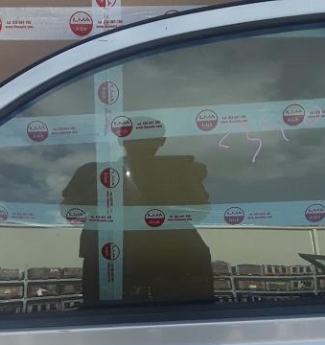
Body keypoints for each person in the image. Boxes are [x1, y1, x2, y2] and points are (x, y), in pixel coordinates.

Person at [61, 116, 214, 307]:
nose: (141, 143)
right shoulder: (94, 174)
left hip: (166, 262)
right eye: (138, 138)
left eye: (147, 137)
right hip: (122, 262)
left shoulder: (182, 171)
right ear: (162, 142)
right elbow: (201, 212)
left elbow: (69, 211)